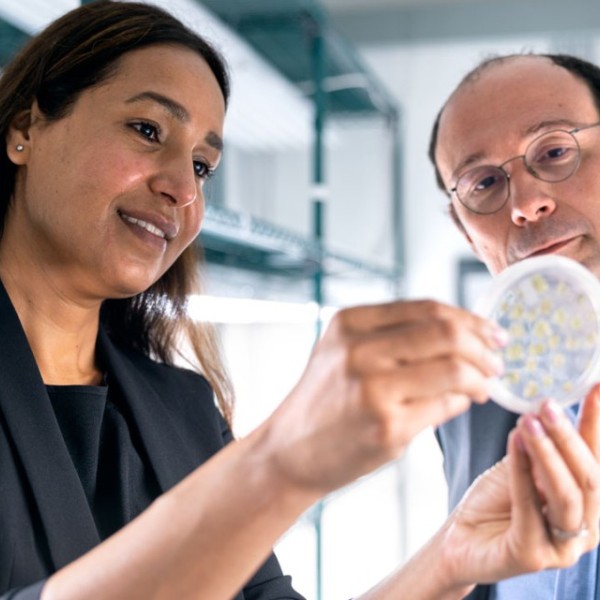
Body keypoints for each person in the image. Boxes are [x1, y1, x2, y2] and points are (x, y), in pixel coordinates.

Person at [0, 1, 598, 598]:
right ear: (25, 129)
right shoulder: (474, 419)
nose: (183, 188)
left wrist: (448, 562)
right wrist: (282, 463)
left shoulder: (182, 409)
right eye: (148, 130)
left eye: (204, 166)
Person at [429, 52, 600, 599]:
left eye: (554, 151)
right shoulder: (461, 407)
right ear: (465, 233)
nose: (526, 203)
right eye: (482, 184)